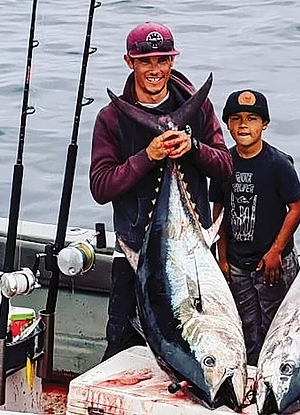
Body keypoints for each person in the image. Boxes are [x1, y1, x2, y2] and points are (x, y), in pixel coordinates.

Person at [89, 22, 233, 360]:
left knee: (198, 345)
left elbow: (225, 166)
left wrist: (193, 147)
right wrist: (148, 156)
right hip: (136, 254)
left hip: (195, 254)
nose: (155, 70)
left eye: (163, 60)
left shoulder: (199, 109)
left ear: (172, 60)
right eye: (146, 61)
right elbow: (100, 186)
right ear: (130, 62)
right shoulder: (111, 119)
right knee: (122, 348)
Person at [209, 89, 300, 366]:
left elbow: (297, 207)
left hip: (273, 265)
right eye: (236, 118)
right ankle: (250, 379)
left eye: (252, 118)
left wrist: (276, 251)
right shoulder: (223, 163)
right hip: (238, 265)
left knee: (280, 329)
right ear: (227, 124)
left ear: (264, 125)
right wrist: (222, 257)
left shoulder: (278, 164)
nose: (243, 125)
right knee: (246, 328)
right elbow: (219, 211)